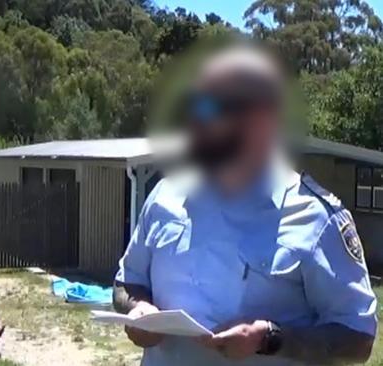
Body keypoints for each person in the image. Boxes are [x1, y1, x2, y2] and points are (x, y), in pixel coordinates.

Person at [113, 44, 377, 366]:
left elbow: (358, 338)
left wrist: (270, 338)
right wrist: (137, 308)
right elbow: (127, 281)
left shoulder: (316, 217)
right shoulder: (165, 195)